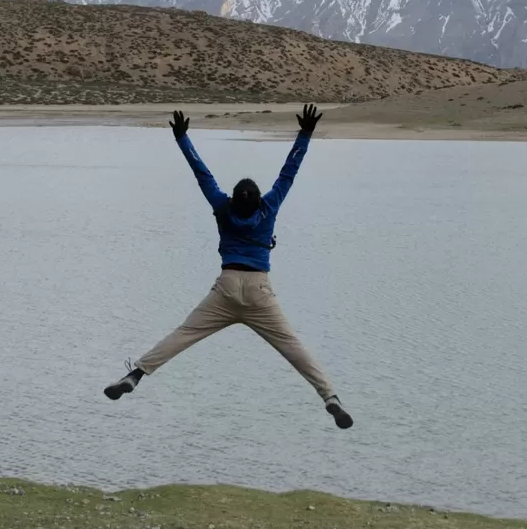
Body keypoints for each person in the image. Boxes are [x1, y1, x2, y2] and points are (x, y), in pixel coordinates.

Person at [103, 104, 353, 429]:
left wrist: (182, 138)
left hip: (226, 288)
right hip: (259, 290)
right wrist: (305, 133)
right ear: (258, 197)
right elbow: (288, 174)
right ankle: (329, 397)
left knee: (184, 334)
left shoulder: (222, 208)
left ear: (233, 199)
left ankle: (135, 375)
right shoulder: (269, 207)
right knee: (292, 346)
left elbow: (202, 173)